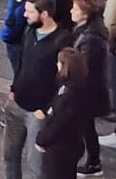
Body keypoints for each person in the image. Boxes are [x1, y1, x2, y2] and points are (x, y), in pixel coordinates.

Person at [3, 0, 71, 179]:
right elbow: (22, 61)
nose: (25, 15)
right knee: (10, 156)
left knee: (36, 167)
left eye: (30, 11)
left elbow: (64, 81)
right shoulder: (30, 30)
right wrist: (14, 87)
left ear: (45, 14)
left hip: (38, 113)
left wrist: (46, 108)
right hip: (16, 103)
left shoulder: (62, 40)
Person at [35, 48, 93, 179]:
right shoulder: (80, 88)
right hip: (72, 145)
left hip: (60, 149)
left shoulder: (68, 95)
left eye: (59, 62)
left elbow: (58, 123)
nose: (57, 65)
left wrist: (41, 140)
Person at [69, 0, 110, 175]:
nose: (72, 11)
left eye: (75, 9)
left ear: (85, 14)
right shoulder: (87, 30)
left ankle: (93, 162)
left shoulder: (90, 38)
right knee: (86, 126)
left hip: (88, 91)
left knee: (86, 127)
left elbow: (85, 67)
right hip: (91, 89)